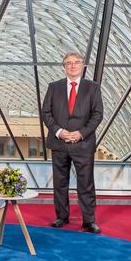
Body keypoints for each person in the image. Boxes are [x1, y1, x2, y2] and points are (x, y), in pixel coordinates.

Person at [42, 51, 103, 234]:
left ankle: (89, 220)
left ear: (82, 65)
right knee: (60, 182)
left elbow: (97, 114)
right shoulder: (54, 87)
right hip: (59, 142)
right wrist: (60, 132)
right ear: (64, 67)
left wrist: (81, 133)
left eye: (76, 62)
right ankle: (61, 216)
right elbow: (46, 113)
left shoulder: (93, 88)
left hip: (83, 143)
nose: (73, 66)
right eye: (69, 63)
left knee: (86, 183)